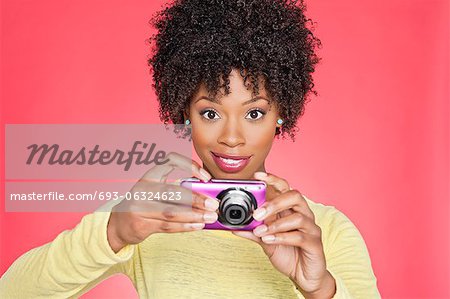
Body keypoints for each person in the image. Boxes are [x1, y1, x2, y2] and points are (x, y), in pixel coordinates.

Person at [0, 0, 381, 298]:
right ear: (185, 113)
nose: (232, 137)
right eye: (211, 111)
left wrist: (320, 289)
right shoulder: (148, 215)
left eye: (255, 113)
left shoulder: (323, 230)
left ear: (281, 114)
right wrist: (111, 233)